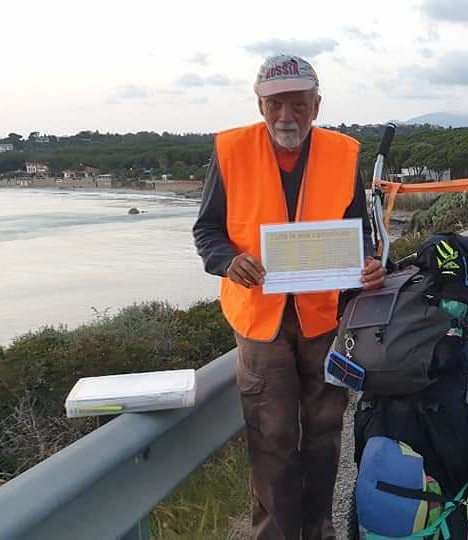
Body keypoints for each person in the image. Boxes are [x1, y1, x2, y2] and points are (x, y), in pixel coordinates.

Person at [192, 53, 385, 540]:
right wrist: (227, 261)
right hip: (260, 320)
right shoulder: (230, 151)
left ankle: (319, 530)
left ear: (316, 105)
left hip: (324, 318)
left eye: (298, 105)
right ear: (260, 104)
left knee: (324, 435)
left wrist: (367, 263)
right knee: (272, 438)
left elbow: (357, 231)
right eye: (276, 105)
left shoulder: (344, 153)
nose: (286, 116)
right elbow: (207, 232)